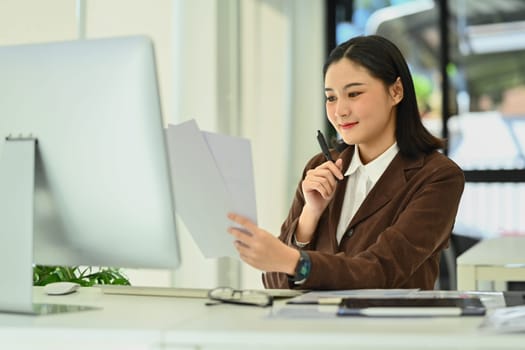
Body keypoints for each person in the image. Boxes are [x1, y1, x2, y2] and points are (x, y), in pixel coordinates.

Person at [227, 35, 465, 290]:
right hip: (314, 327)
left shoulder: (437, 177)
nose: (340, 111)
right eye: (331, 98)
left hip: (392, 328)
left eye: (353, 93)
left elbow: (381, 272)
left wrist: (295, 261)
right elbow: (275, 282)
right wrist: (310, 216)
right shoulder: (319, 167)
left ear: (395, 91)